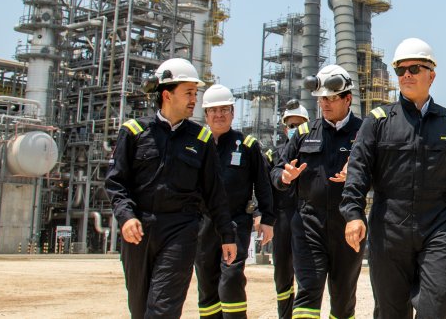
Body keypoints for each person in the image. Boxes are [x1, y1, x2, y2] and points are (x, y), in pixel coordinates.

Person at [341, 38, 446, 319]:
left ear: (431, 75)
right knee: (390, 312)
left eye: (414, 69)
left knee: (439, 302)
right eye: (400, 70)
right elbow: (358, 171)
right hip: (389, 229)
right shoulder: (378, 121)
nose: (406, 75)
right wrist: (353, 214)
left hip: (437, 226)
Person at [106, 57, 237, 319]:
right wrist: (126, 216)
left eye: (195, 93)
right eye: (189, 93)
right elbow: (116, 182)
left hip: (180, 230)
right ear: (167, 95)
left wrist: (227, 234)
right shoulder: (133, 132)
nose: (194, 100)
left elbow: (215, 193)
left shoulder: (200, 139)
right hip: (139, 231)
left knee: (163, 309)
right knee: (140, 309)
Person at [275, 64, 365, 319]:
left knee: (343, 299)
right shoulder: (304, 133)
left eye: (331, 98)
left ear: (347, 98)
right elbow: (278, 169)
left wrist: (358, 173)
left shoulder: (364, 133)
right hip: (308, 225)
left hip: (347, 227)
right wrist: (284, 177)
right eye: (321, 99)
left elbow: (382, 174)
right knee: (307, 293)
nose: (324, 104)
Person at [194, 84, 277, 318]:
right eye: (213, 110)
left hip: (236, 222)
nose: (219, 115)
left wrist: (266, 218)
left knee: (231, 279)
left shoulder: (247, 145)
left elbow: (263, 184)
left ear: (233, 112)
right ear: (206, 114)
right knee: (206, 282)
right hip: (203, 224)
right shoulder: (196, 145)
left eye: (224, 110)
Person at [267, 101, 310, 319]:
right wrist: (262, 216)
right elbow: (264, 188)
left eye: (300, 124)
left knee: (307, 273)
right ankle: (284, 315)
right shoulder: (274, 155)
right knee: (283, 272)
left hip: (305, 217)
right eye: (291, 125)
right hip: (282, 217)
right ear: (285, 128)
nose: (295, 129)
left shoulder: (313, 153)